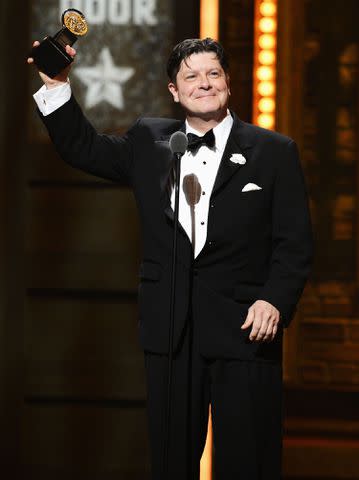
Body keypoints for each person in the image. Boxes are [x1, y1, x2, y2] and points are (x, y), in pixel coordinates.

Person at [28, 37, 313, 479]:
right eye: (191, 76)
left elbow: (294, 241)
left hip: (245, 330)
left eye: (213, 73)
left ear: (228, 83)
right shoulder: (150, 140)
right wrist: (58, 84)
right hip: (171, 329)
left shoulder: (274, 151)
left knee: (250, 461)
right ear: (174, 92)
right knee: (170, 463)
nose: (204, 83)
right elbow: (84, 148)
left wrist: (274, 300)